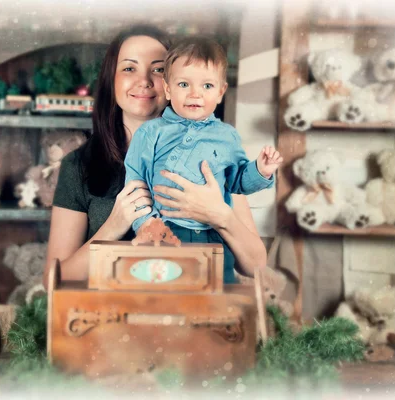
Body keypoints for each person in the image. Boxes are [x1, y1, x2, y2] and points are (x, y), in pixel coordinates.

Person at [44, 25, 269, 286]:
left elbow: (256, 265)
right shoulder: (78, 165)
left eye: (158, 69)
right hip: (112, 317)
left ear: (173, 80)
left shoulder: (213, 148)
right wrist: (113, 227)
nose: (145, 81)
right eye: (129, 68)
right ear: (110, 79)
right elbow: (53, 280)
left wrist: (220, 215)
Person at [124, 37, 283, 283]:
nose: (195, 94)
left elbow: (238, 181)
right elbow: (135, 182)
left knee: (218, 299)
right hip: (166, 233)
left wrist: (261, 171)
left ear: (220, 92)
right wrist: (146, 224)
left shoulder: (227, 136)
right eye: (184, 84)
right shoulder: (150, 133)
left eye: (207, 86)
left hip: (215, 237)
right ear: (168, 89)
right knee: (165, 299)